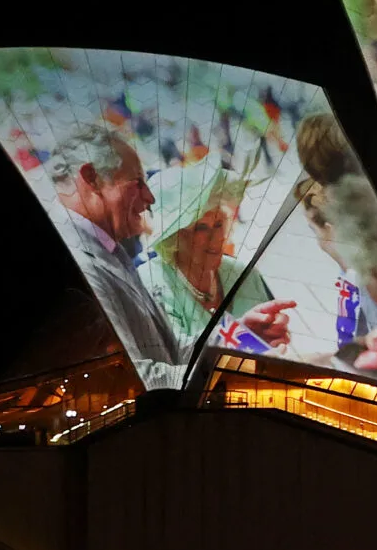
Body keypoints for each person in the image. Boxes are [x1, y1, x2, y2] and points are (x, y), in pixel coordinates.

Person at [43, 122, 294, 387]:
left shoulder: (110, 251)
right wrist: (233, 372)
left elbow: (169, 350)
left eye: (219, 224)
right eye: (137, 183)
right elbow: (135, 380)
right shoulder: (79, 263)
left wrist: (240, 336)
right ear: (92, 178)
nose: (149, 197)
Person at [140, 160, 277, 349]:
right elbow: (172, 352)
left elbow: (271, 341)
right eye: (201, 228)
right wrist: (240, 335)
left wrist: (276, 333)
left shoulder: (245, 275)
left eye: (219, 224)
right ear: (174, 238)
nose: (217, 238)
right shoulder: (151, 282)